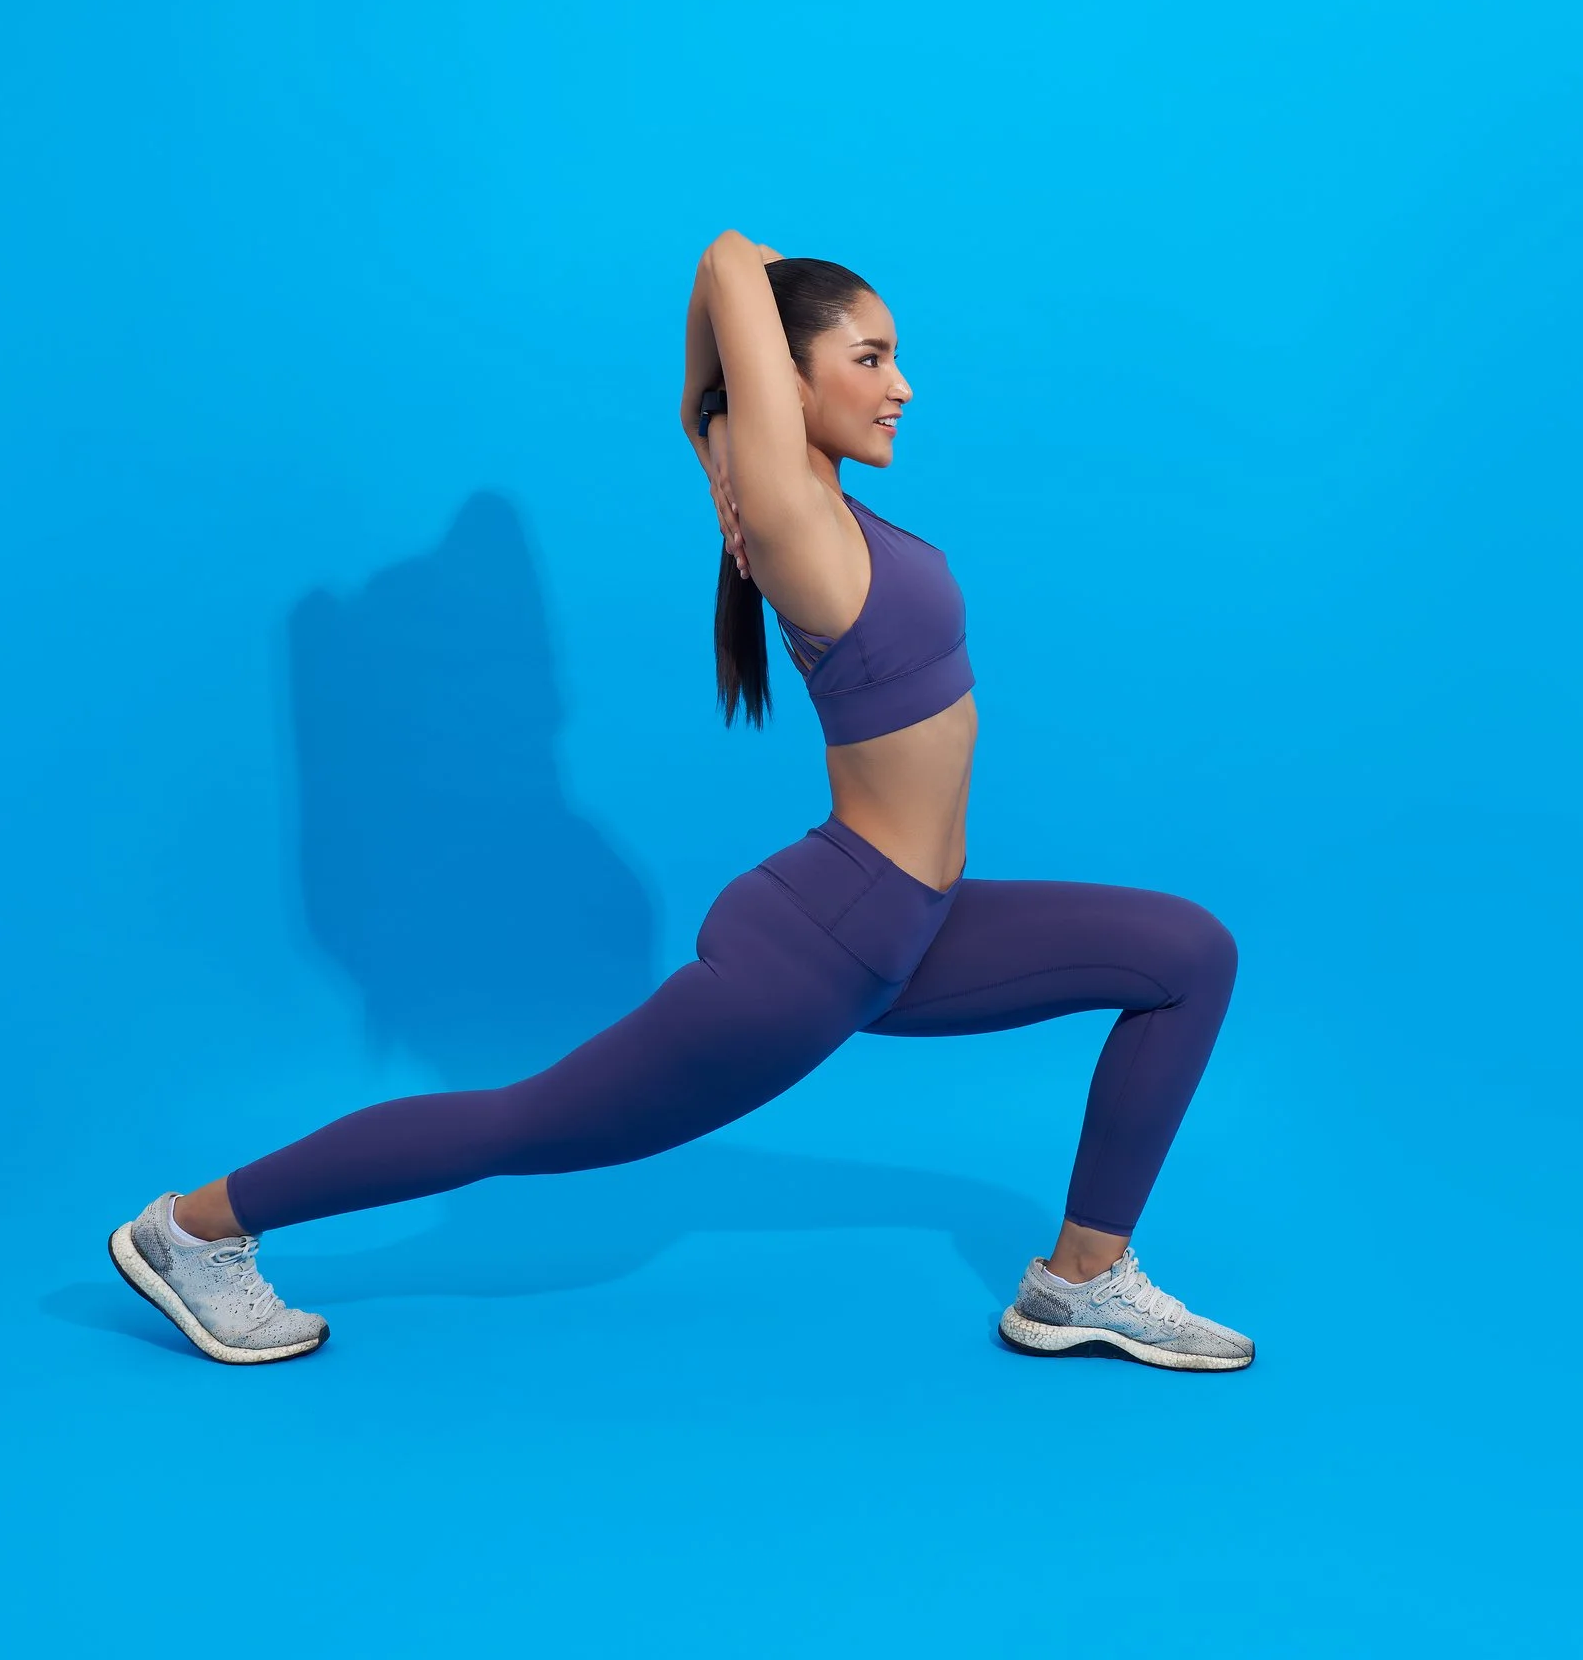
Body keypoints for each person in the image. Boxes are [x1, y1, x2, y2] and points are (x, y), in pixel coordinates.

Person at [107, 229, 1250, 1371]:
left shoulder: (788, 493)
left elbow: (707, 384)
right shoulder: (793, 517)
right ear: (784, 382)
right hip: (834, 941)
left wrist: (716, 429)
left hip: (907, 918)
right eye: (867, 357)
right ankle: (194, 1229)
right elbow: (724, 258)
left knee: (1185, 954)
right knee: (526, 1124)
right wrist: (733, 439)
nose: (900, 386)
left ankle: (1079, 1283)